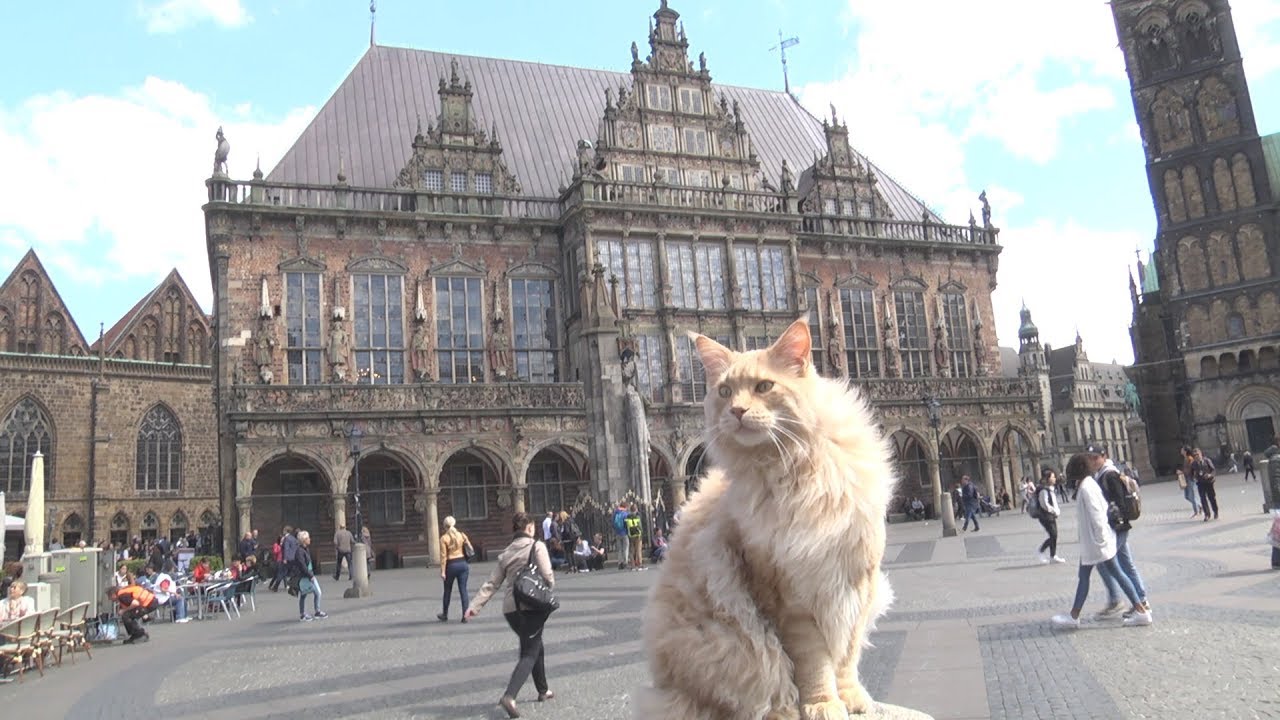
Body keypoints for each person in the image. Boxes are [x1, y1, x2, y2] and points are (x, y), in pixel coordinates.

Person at [465, 512, 556, 718]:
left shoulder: (506, 553)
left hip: (511, 609)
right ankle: (510, 696)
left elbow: (492, 583)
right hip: (531, 605)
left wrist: (474, 606)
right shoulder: (537, 546)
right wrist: (549, 587)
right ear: (529, 527)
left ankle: (543, 690)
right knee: (529, 652)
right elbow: (547, 575)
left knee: (535, 644)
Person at [1050, 454, 1151, 629]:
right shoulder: (1088, 484)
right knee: (1087, 577)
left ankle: (1141, 610)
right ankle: (1074, 615)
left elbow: (1097, 515)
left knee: (1112, 574)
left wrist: (1101, 542)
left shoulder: (1086, 488)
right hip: (1093, 544)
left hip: (1096, 545)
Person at [1087, 442, 1152, 622]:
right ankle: (1141, 600)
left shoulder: (1110, 475)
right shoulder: (1101, 474)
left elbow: (1119, 503)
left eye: (1096, 458)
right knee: (1126, 564)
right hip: (1116, 527)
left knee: (1105, 563)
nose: (1093, 461)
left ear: (1104, 457)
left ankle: (1119, 601)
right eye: (1090, 459)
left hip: (1117, 527)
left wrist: (1110, 519)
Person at [438, 516, 472, 623]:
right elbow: (470, 548)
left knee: (447, 591)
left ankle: (445, 614)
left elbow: (443, 557)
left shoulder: (444, 538)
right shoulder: (462, 535)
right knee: (463, 590)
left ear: (445, 526)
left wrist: (443, 571)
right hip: (463, 564)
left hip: (451, 565)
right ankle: (465, 616)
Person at [294, 530, 327, 622]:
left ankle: (316, 611)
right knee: (305, 594)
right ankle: (304, 614)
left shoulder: (305, 549)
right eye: (308, 538)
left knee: (316, 593)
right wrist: (310, 575)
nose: (310, 539)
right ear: (303, 540)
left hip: (309, 574)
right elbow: (302, 565)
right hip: (304, 576)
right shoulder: (299, 551)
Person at [1036, 469, 1065, 564]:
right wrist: (1054, 511)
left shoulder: (1050, 489)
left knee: (1054, 535)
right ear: (1048, 478)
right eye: (1053, 477)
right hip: (1046, 516)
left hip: (1050, 516)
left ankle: (1053, 556)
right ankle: (1041, 550)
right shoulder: (1044, 490)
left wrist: (1056, 511)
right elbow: (1044, 504)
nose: (1055, 478)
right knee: (1053, 535)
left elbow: (1053, 502)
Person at [1190, 447, 1219, 521]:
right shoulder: (1193, 464)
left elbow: (1213, 470)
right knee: (1203, 498)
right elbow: (1191, 473)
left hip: (1209, 482)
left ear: (1201, 454)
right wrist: (1194, 478)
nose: (1196, 456)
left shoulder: (1207, 460)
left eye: (1197, 454)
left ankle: (1215, 512)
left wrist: (1210, 475)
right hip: (1200, 483)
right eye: (1195, 455)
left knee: (1212, 498)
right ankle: (1207, 514)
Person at [269, 526, 296, 592]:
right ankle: (292, 585)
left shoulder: (286, 539)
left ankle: (275, 587)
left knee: (281, 573)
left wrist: (285, 558)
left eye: (284, 530)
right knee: (293, 572)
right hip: (293, 558)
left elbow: (286, 548)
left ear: (286, 531)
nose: (283, 531)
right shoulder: (293, 538)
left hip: (287, 558)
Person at [625, 503, 644, 570]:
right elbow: (640, 526)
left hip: (631, 535)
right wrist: (641, 533)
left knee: (632, 550)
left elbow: (626, 526)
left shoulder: (627, 517)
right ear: (636, 509)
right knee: (638, 549)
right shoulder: (637, 516)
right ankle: (639, 564)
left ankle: (632, 564)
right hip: (638, 535)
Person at [612, 502, 630, 570]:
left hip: (617, 533)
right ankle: (625, 563)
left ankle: (620, 563)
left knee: (619, 549)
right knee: (625, 548)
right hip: (624, 533)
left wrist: (616, 530)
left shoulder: (615, 513)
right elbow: (627, 523)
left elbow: (612, 523)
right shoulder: (625, 513)